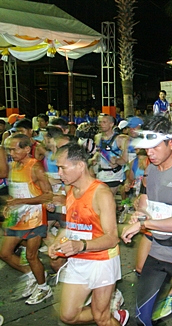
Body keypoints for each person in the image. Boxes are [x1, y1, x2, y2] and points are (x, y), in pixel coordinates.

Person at [121, 115, 172, 326]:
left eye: (155, 147)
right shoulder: (151, 169)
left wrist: (143, 224)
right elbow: (149, 205)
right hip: (157, 250)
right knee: (141, 316)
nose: (149, 152)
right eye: (147, 147)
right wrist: (139, 215)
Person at [48, 143, 127, 326]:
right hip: (79, 259)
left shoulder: (101, 193)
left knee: (102, 318)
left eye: (63, 168)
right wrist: (57, 242)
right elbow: (71, 227)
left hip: (102, 261)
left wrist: (81, 245)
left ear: (80, 166)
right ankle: (111, 309)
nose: (59, 173)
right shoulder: (71, 190)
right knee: (68, 316)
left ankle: (108, 311)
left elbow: (112, 237)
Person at [0, 134, 53, 304]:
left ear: (26, 149)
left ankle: (44, 288)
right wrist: (10, 204)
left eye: (14, 149)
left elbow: (48, 195)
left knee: (31, 256)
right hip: (16, 217)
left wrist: (20, 201)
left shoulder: (35, 167)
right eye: (9, 149)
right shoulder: (14, 165)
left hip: (34, 218)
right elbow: (16, 191)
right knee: (5, 253)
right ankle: (32, 275)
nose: (11, 153)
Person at [91, 114, 129, 195]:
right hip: (100, 174)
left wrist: (116, 161)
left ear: (111, 124)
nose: (101, 124)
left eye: (104, 122)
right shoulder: (97, 137)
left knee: (107, 199)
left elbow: (125, 161)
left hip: (114, 175)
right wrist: (94, 159)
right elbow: (98, 153)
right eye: (100, 122)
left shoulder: (121, 139)